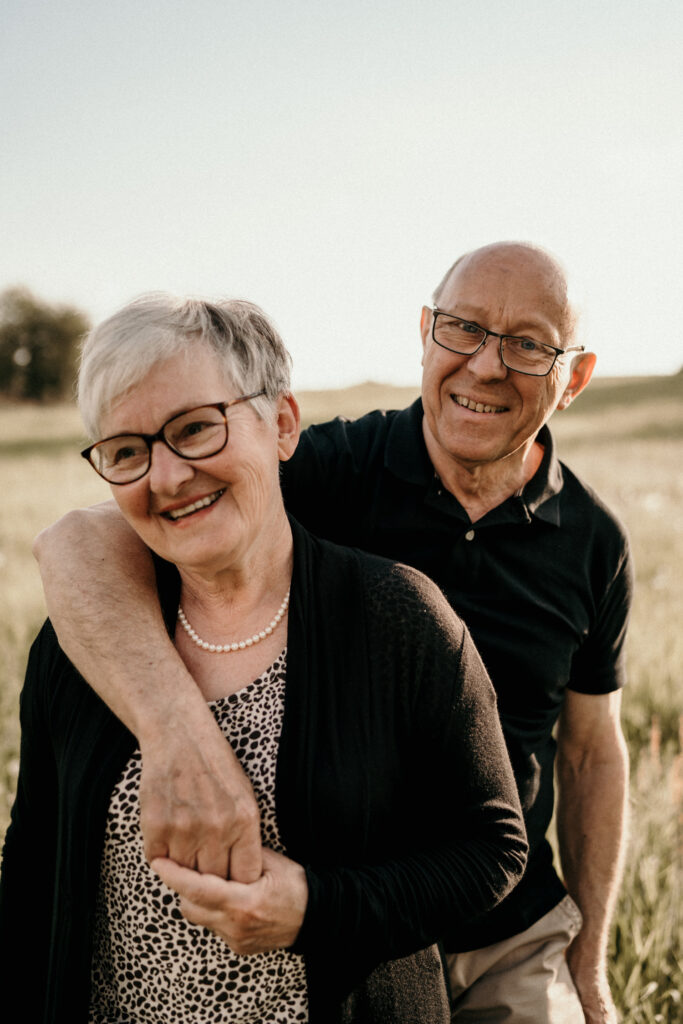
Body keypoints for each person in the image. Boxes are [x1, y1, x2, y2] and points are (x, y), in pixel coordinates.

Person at [30, 241, 632, 1023]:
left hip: (504, 927)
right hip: (348, 923)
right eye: (462, 328)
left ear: (573, 378)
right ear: (425, 333)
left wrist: (588, 963)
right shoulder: (327, 465)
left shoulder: (592, 541)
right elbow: (89, 537)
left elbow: (590, 752)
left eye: (527, 344)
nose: (485, 365)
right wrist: (177, 735)